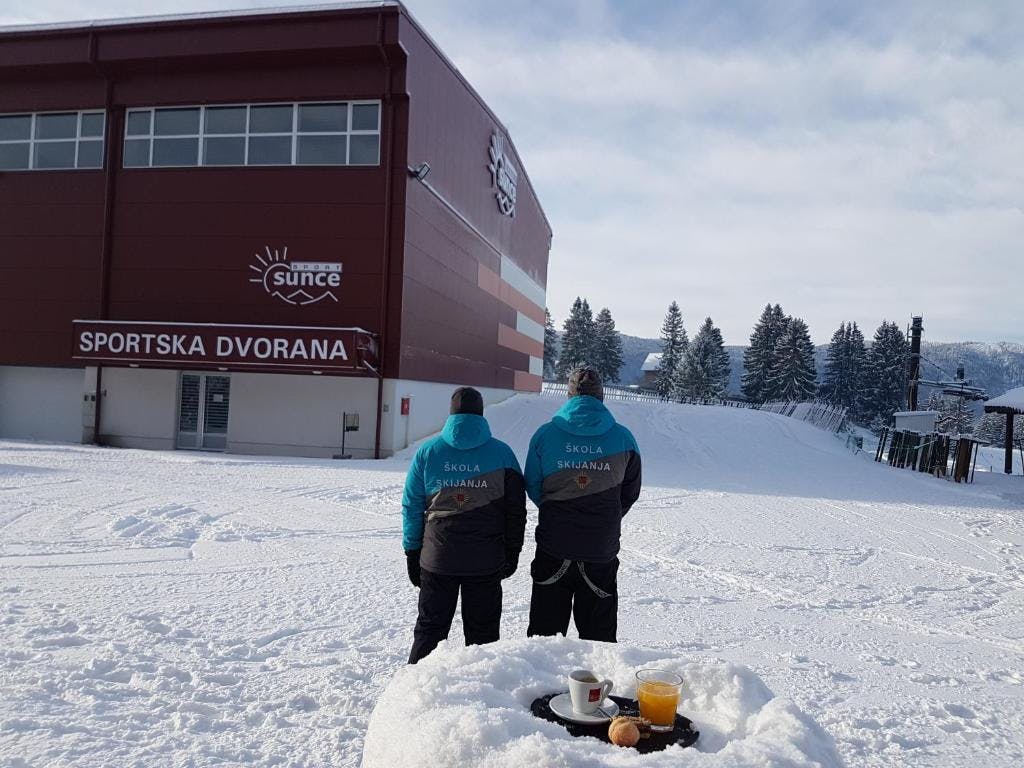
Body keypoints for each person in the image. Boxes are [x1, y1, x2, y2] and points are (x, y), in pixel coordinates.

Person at [402, 386, 526, 663]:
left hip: (437, 559)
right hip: (486, 561)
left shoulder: (428, 452)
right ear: (481, 414)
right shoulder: (502, 454)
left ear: (451, 414)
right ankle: (482, 686)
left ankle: (416, 686)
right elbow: (516, 510)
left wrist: (412, 550)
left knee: (430, 632)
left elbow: (412, 506)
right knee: (483, 638)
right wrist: (513, 550)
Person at [525, 367, 641, 642]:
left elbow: (533, 484)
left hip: (554, 545)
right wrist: (605, 515)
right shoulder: (623, 438)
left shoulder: (545, 435)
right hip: (600, 548)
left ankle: (547, 674)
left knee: (544, 640)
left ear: (569, 395)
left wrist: (556, 509)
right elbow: (630, 492)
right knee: (599, 642)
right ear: (601, 396)